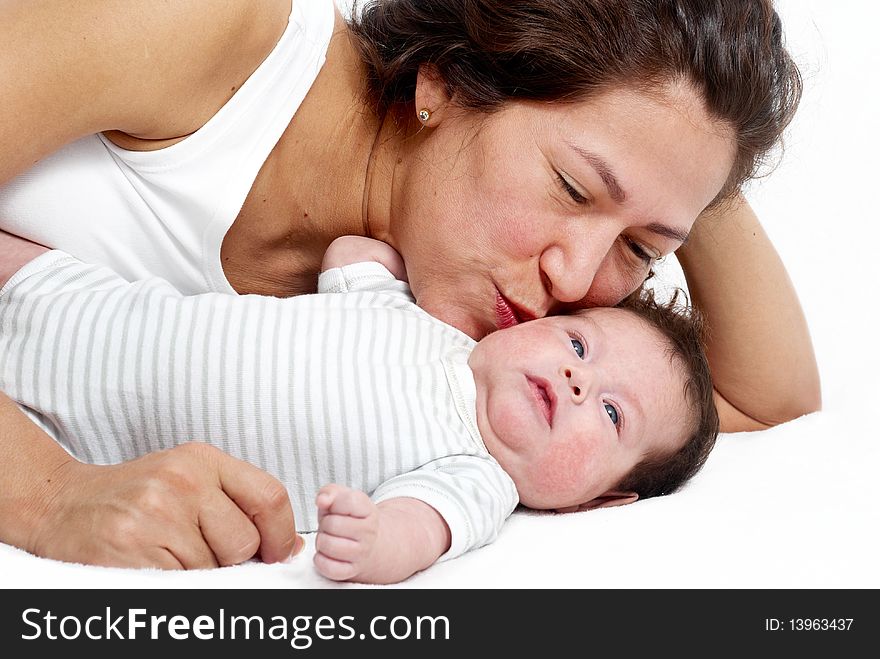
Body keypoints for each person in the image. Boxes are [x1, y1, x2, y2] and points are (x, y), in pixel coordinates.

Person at [0, 0, 819, 569]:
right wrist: (49, 498)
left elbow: (764, 395)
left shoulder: (450, 335)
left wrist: (687, 134)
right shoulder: (215, 31)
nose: (574, 276)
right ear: (444, 82)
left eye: (640, 247)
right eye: (572, 188)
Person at [0, 235, 718, 583]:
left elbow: (418, 528)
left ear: (600, 499)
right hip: (81, 301)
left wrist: (372, 543)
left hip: (71, 433)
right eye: (578, 342)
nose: (575, 380)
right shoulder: (428, 324)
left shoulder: (478, 476)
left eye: (614, 416)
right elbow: (350, 259)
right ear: (525, 322)